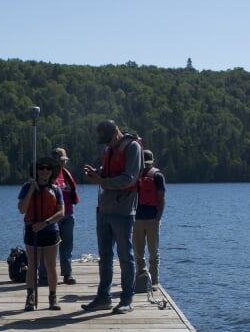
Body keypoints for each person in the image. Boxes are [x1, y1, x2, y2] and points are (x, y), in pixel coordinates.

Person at [80, 119, 142, 314]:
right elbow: (107, 174)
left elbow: (128, 178)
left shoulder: (132, 148)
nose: (107, 144)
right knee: (105, 256)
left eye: (108, 139)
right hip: (104, 210)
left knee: (125, 256)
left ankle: (126, 299)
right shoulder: (109, 150)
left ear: (116, 132)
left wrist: (102, 180)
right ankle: (103, 297)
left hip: (123, 211)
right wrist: (95, 173)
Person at [18, 156, 65, 311]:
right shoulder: (27, 187)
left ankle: (53, 298)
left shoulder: (56, 189)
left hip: (50, 231)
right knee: (33, 265)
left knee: (51, 265)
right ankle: (30, 297)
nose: (45, 171)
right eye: (41, 168)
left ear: (52, 172)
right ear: (36, 171)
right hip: (32, 231)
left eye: (48, 168)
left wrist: (45, 223)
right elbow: (22, 209)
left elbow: (61, 213)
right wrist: (32, 189)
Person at [39, 147, 80, 285]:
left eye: (64, 160)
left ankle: (67, 274)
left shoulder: (66, 174)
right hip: (52, 217)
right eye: (61, 160)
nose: (63, 163)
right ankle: (44, 276)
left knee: (67, 246)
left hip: (68, 214)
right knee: (47, 246)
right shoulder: (46, 176)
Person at [134, 149, 166, 287]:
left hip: (139, 219)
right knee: (153, 252)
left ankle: (142, 279)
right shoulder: (158, 175)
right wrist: (158, 218)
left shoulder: (137, 175)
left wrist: (157, 218)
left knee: (139, 253)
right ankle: (154, 281)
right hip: (151, 218)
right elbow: (162, 198)